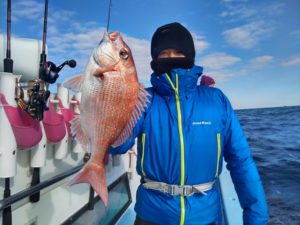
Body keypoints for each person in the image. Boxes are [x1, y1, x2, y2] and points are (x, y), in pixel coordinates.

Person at [109, 22, 268, 225]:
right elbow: (117, 146)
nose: (171, 58)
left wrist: (256, 219)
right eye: (164, 53)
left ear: (190, 54)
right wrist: (114, 101)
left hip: (205, 217)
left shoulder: (216, 100)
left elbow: (241, 161)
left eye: (178, 51)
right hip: (151, 216)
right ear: (155, 58)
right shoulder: (143, 100)